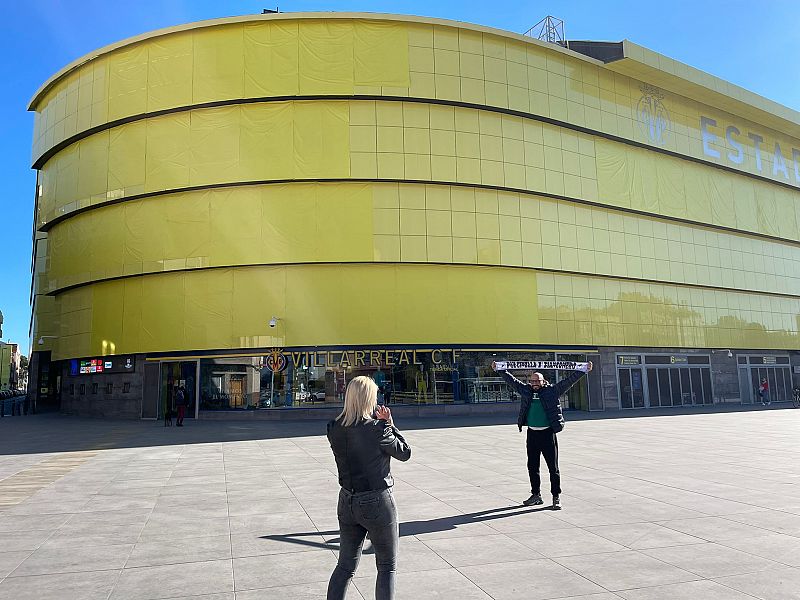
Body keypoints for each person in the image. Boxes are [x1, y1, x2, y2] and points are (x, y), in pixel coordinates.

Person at [326, 376, 411, 600]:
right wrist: (390, 424)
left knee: (345, 566)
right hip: (376, 501)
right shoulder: (378, 429)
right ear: (368, 399)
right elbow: (405, 452)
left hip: (347, 501)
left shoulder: (333, 428)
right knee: (386, 567)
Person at [493, 361, 593, 510]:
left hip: (547, 434)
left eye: (537, 381)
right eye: (532, 381)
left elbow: (569, 381)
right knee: (532, 467)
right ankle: (536, 495)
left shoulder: (552, 391)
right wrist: (499, 369)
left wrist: (584, 370)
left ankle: (556, 496)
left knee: (553, 468)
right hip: (532, 434)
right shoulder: (526, 391)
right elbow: (512, 381)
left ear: (543, 381)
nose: (534, 383)